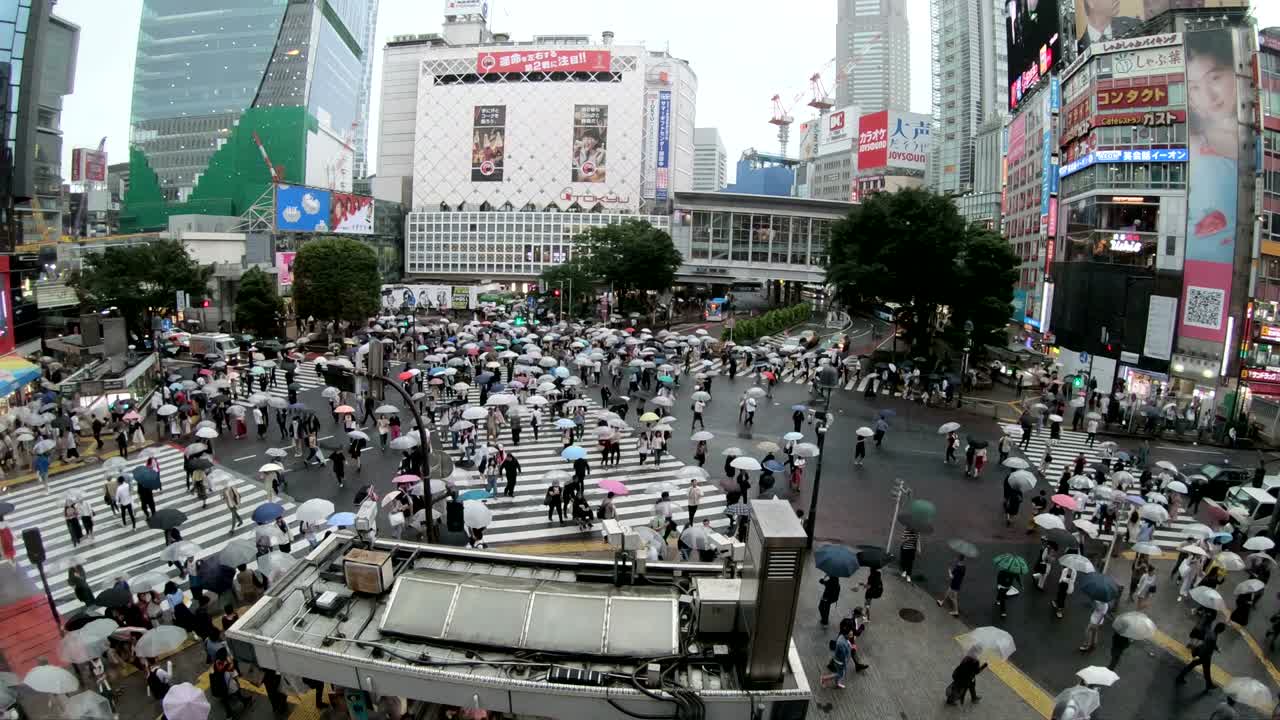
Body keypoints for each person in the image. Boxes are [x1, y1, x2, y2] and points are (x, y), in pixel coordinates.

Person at [1175, 621, 1225, 691]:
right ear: (1220, 630)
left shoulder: (1210, 632)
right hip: (1205, 656)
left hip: (1203, 653)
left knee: (1201, 668)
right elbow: (1210, 646)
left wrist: (1216, 648)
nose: (1223, 631)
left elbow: (1209, 643)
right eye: (1223, 630)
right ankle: (1208, 685)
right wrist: (1216, 649)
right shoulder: (1213, 637)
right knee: (1202, 669)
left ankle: (1208, 684)